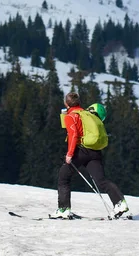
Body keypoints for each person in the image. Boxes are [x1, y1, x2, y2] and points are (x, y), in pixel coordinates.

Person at [51, 91, 129, 219]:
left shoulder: (71, 116)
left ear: (66, 103)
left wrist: (69, 154)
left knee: (63, 177)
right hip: (95, 152)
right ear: (79, 102)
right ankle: (119, 203)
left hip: (81, 151)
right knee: (101, 180)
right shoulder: (86, 114)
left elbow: (73, 134)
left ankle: (63, 209)